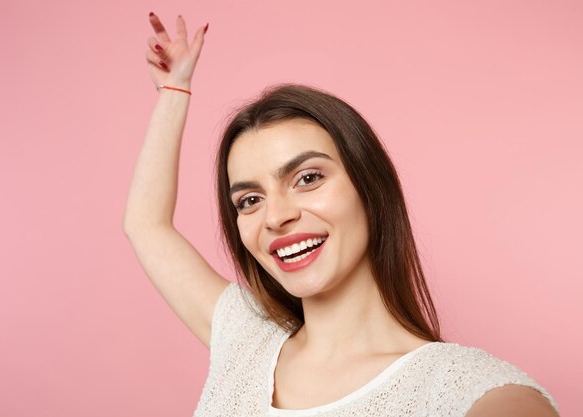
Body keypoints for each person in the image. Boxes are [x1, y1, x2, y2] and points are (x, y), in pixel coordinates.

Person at [123, 13, 561, 417]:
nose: (275, 217)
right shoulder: (245, 340)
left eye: (308, 178)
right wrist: (175, 90)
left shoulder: (470, 392)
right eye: (249, 200)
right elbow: (146, 225)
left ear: (369, 188)